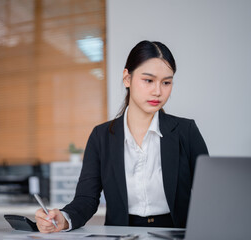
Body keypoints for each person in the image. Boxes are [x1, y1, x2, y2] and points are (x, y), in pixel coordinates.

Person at [35, 40, 208, 232]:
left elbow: (210, 196)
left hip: (177, 233)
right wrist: (64, 218)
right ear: (127, 78)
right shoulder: (101, 136)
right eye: (148, 80)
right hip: (121, 234)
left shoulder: (186, 131)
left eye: (166, 82)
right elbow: (86, 199)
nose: (158, 91)